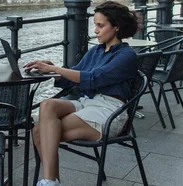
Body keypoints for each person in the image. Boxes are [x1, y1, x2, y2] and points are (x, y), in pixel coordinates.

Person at [23, 1, 139, 185]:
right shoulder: (96, 51)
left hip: (110, 110)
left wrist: (58, 69)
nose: (95, 30)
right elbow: (72, 79)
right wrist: (51, 69)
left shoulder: (126, 55)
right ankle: (50, 181)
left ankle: (50, 181)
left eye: (101, 26)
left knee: (39, 131)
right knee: (47, 104)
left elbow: (93, 78)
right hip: (87, 102)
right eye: (95, 25)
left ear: (116, 27)